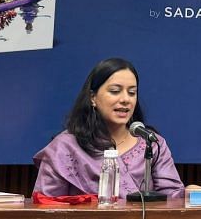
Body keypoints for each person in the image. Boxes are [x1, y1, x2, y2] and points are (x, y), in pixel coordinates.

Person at [33, 58, 185, 198]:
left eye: (132, 92)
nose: (125, 99)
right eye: (115, 91)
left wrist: (190, 193)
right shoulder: (64, 147)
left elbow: (173, 199)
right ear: (93, 98)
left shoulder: (151, 142)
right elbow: (44, 205)